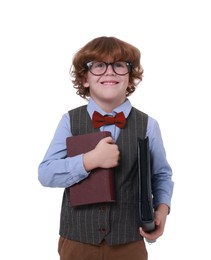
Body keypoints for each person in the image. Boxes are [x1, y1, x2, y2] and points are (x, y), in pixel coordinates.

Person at [38, 36, 174, 260]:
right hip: (77, 241)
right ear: (85, 79)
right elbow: (45, 173)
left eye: (119, 65)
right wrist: (89, 160)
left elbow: (161, 174)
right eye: (99, 66)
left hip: (129, 240)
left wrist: (161, 210)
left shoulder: (148, 125)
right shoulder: (69, 121)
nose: (109, 72)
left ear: (130, 79)